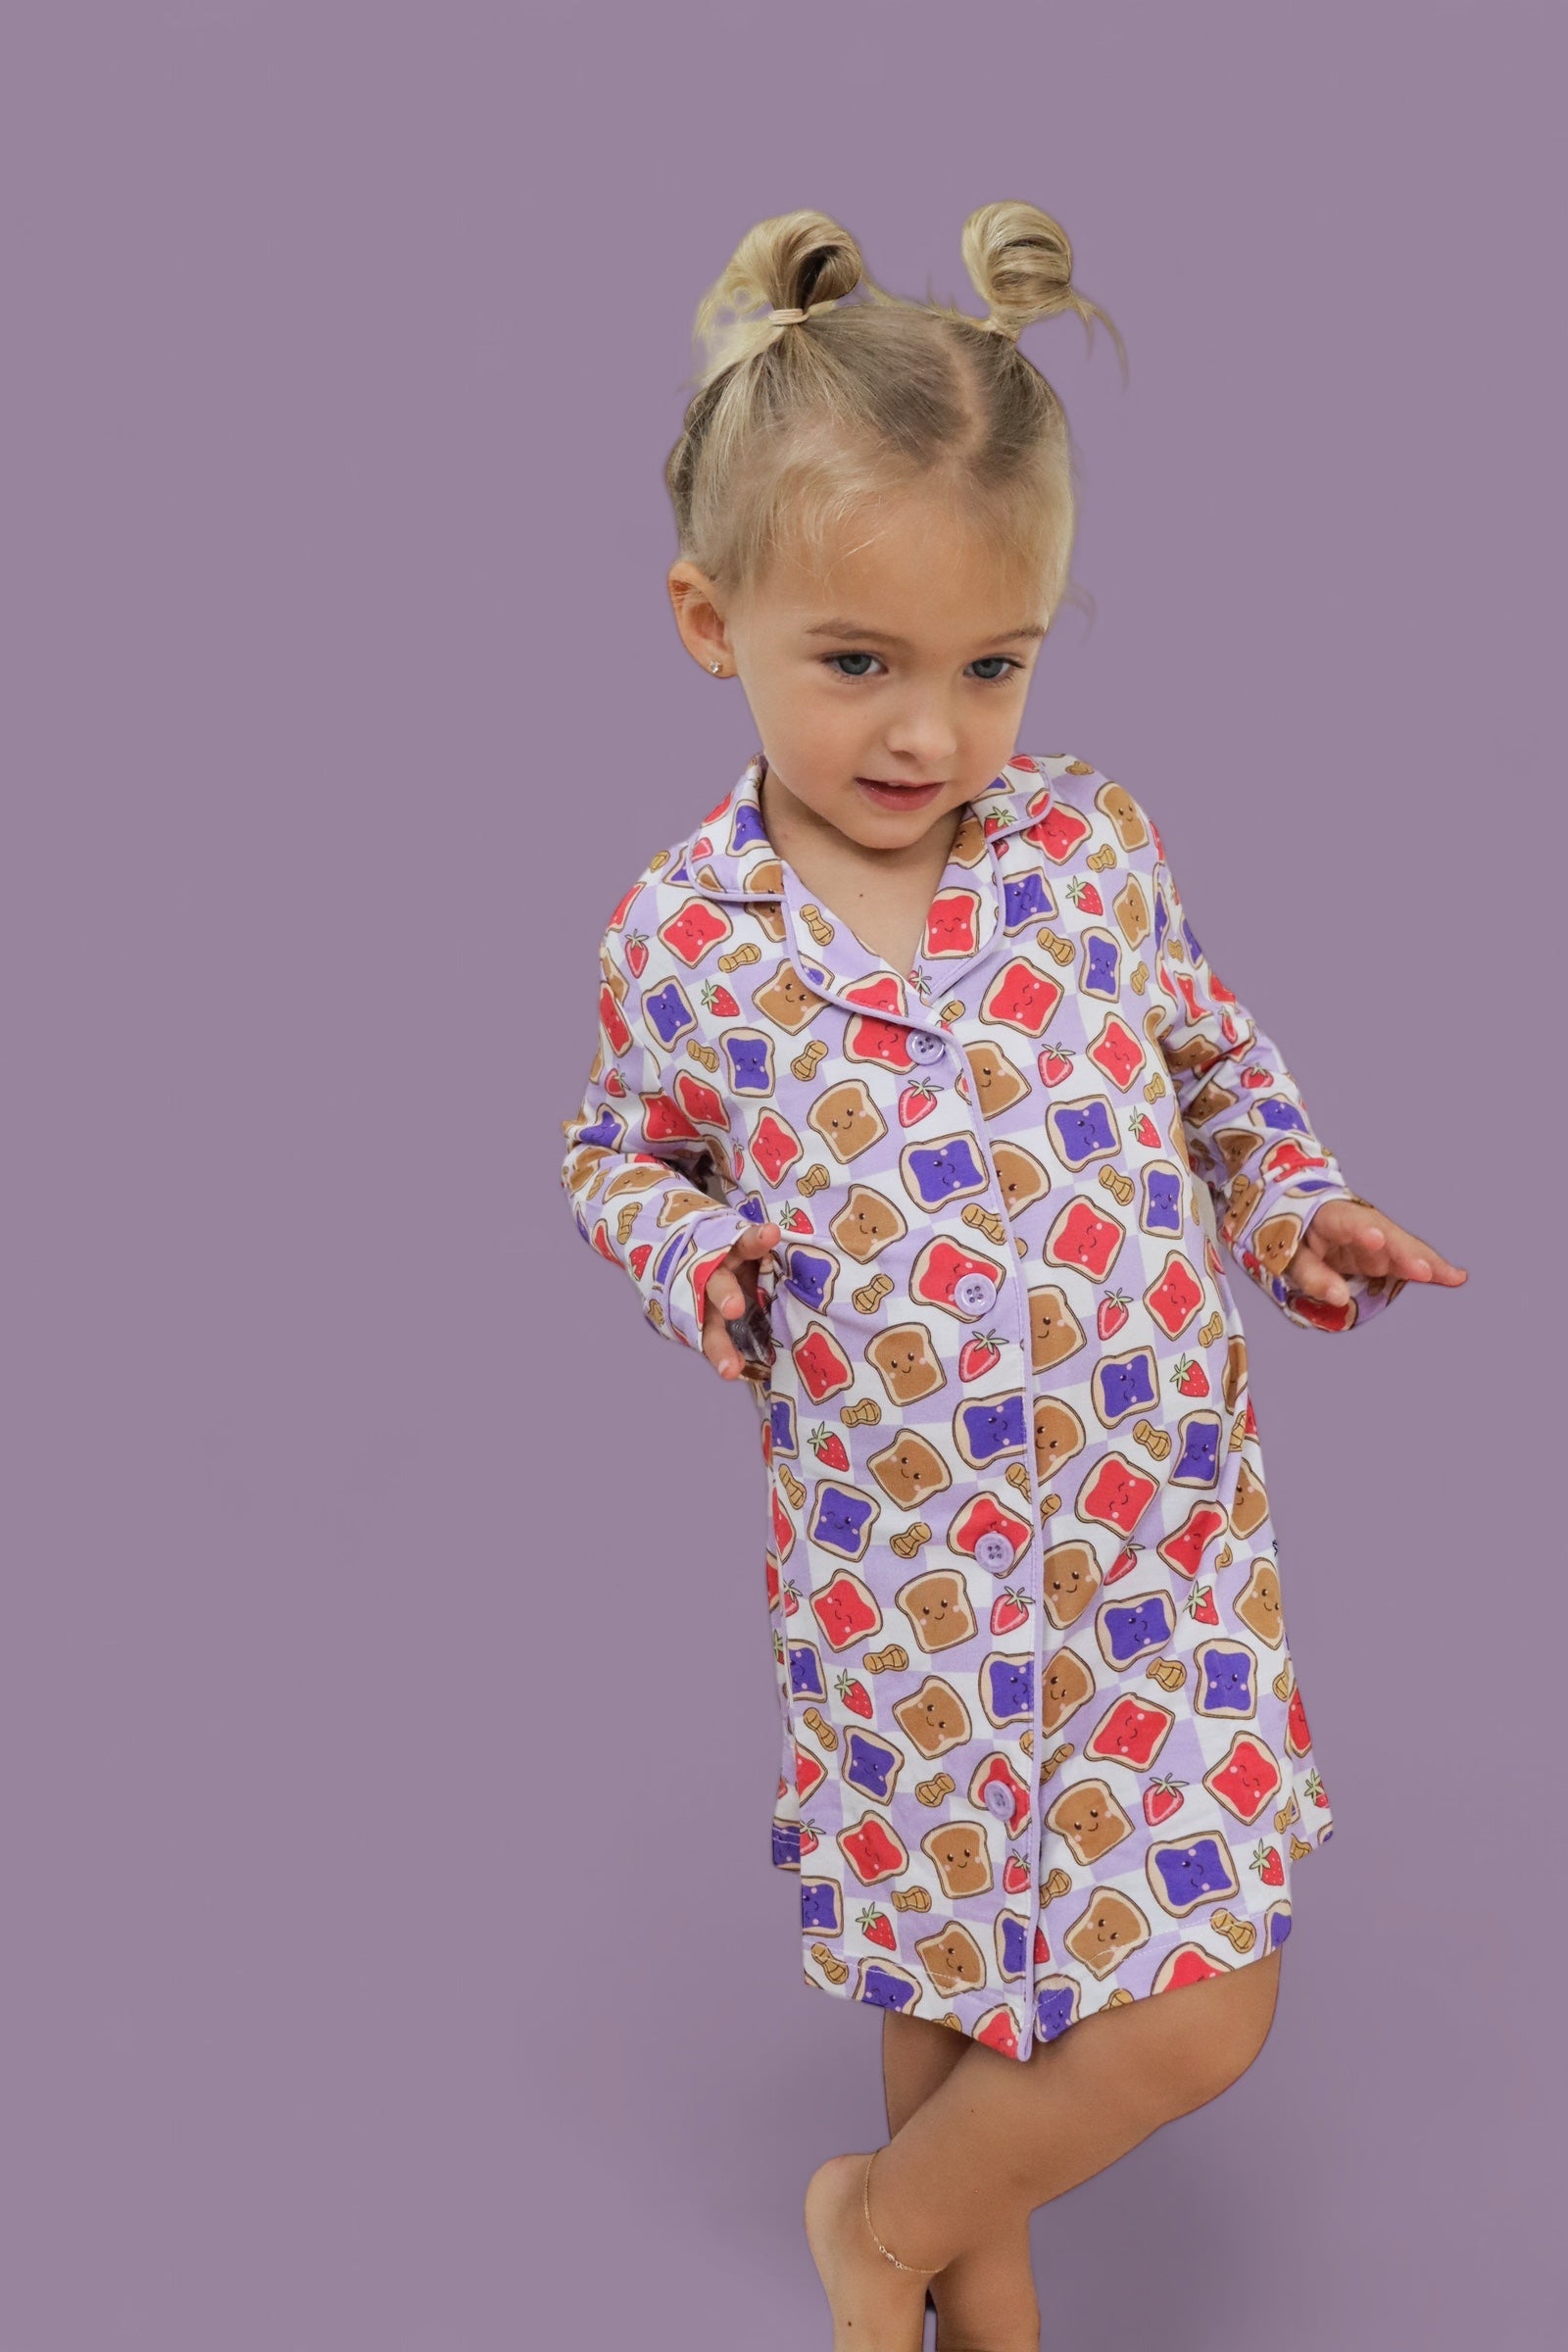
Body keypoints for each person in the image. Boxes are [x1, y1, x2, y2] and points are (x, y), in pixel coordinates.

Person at [558, 201, 1467, 2352]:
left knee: (1196, 2011)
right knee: (950, 1976)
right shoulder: (682, 936)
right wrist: (697, 1258)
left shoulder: (1088, 848)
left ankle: (867, 2233)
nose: (926, 733)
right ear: (709, 619)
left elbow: (1211, 1068)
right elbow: (614, 1157)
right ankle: (981, 2308)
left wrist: (1298, 1210)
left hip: (1157, 1553)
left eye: (992, 667)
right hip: (904, 1582)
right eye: (856, 664)